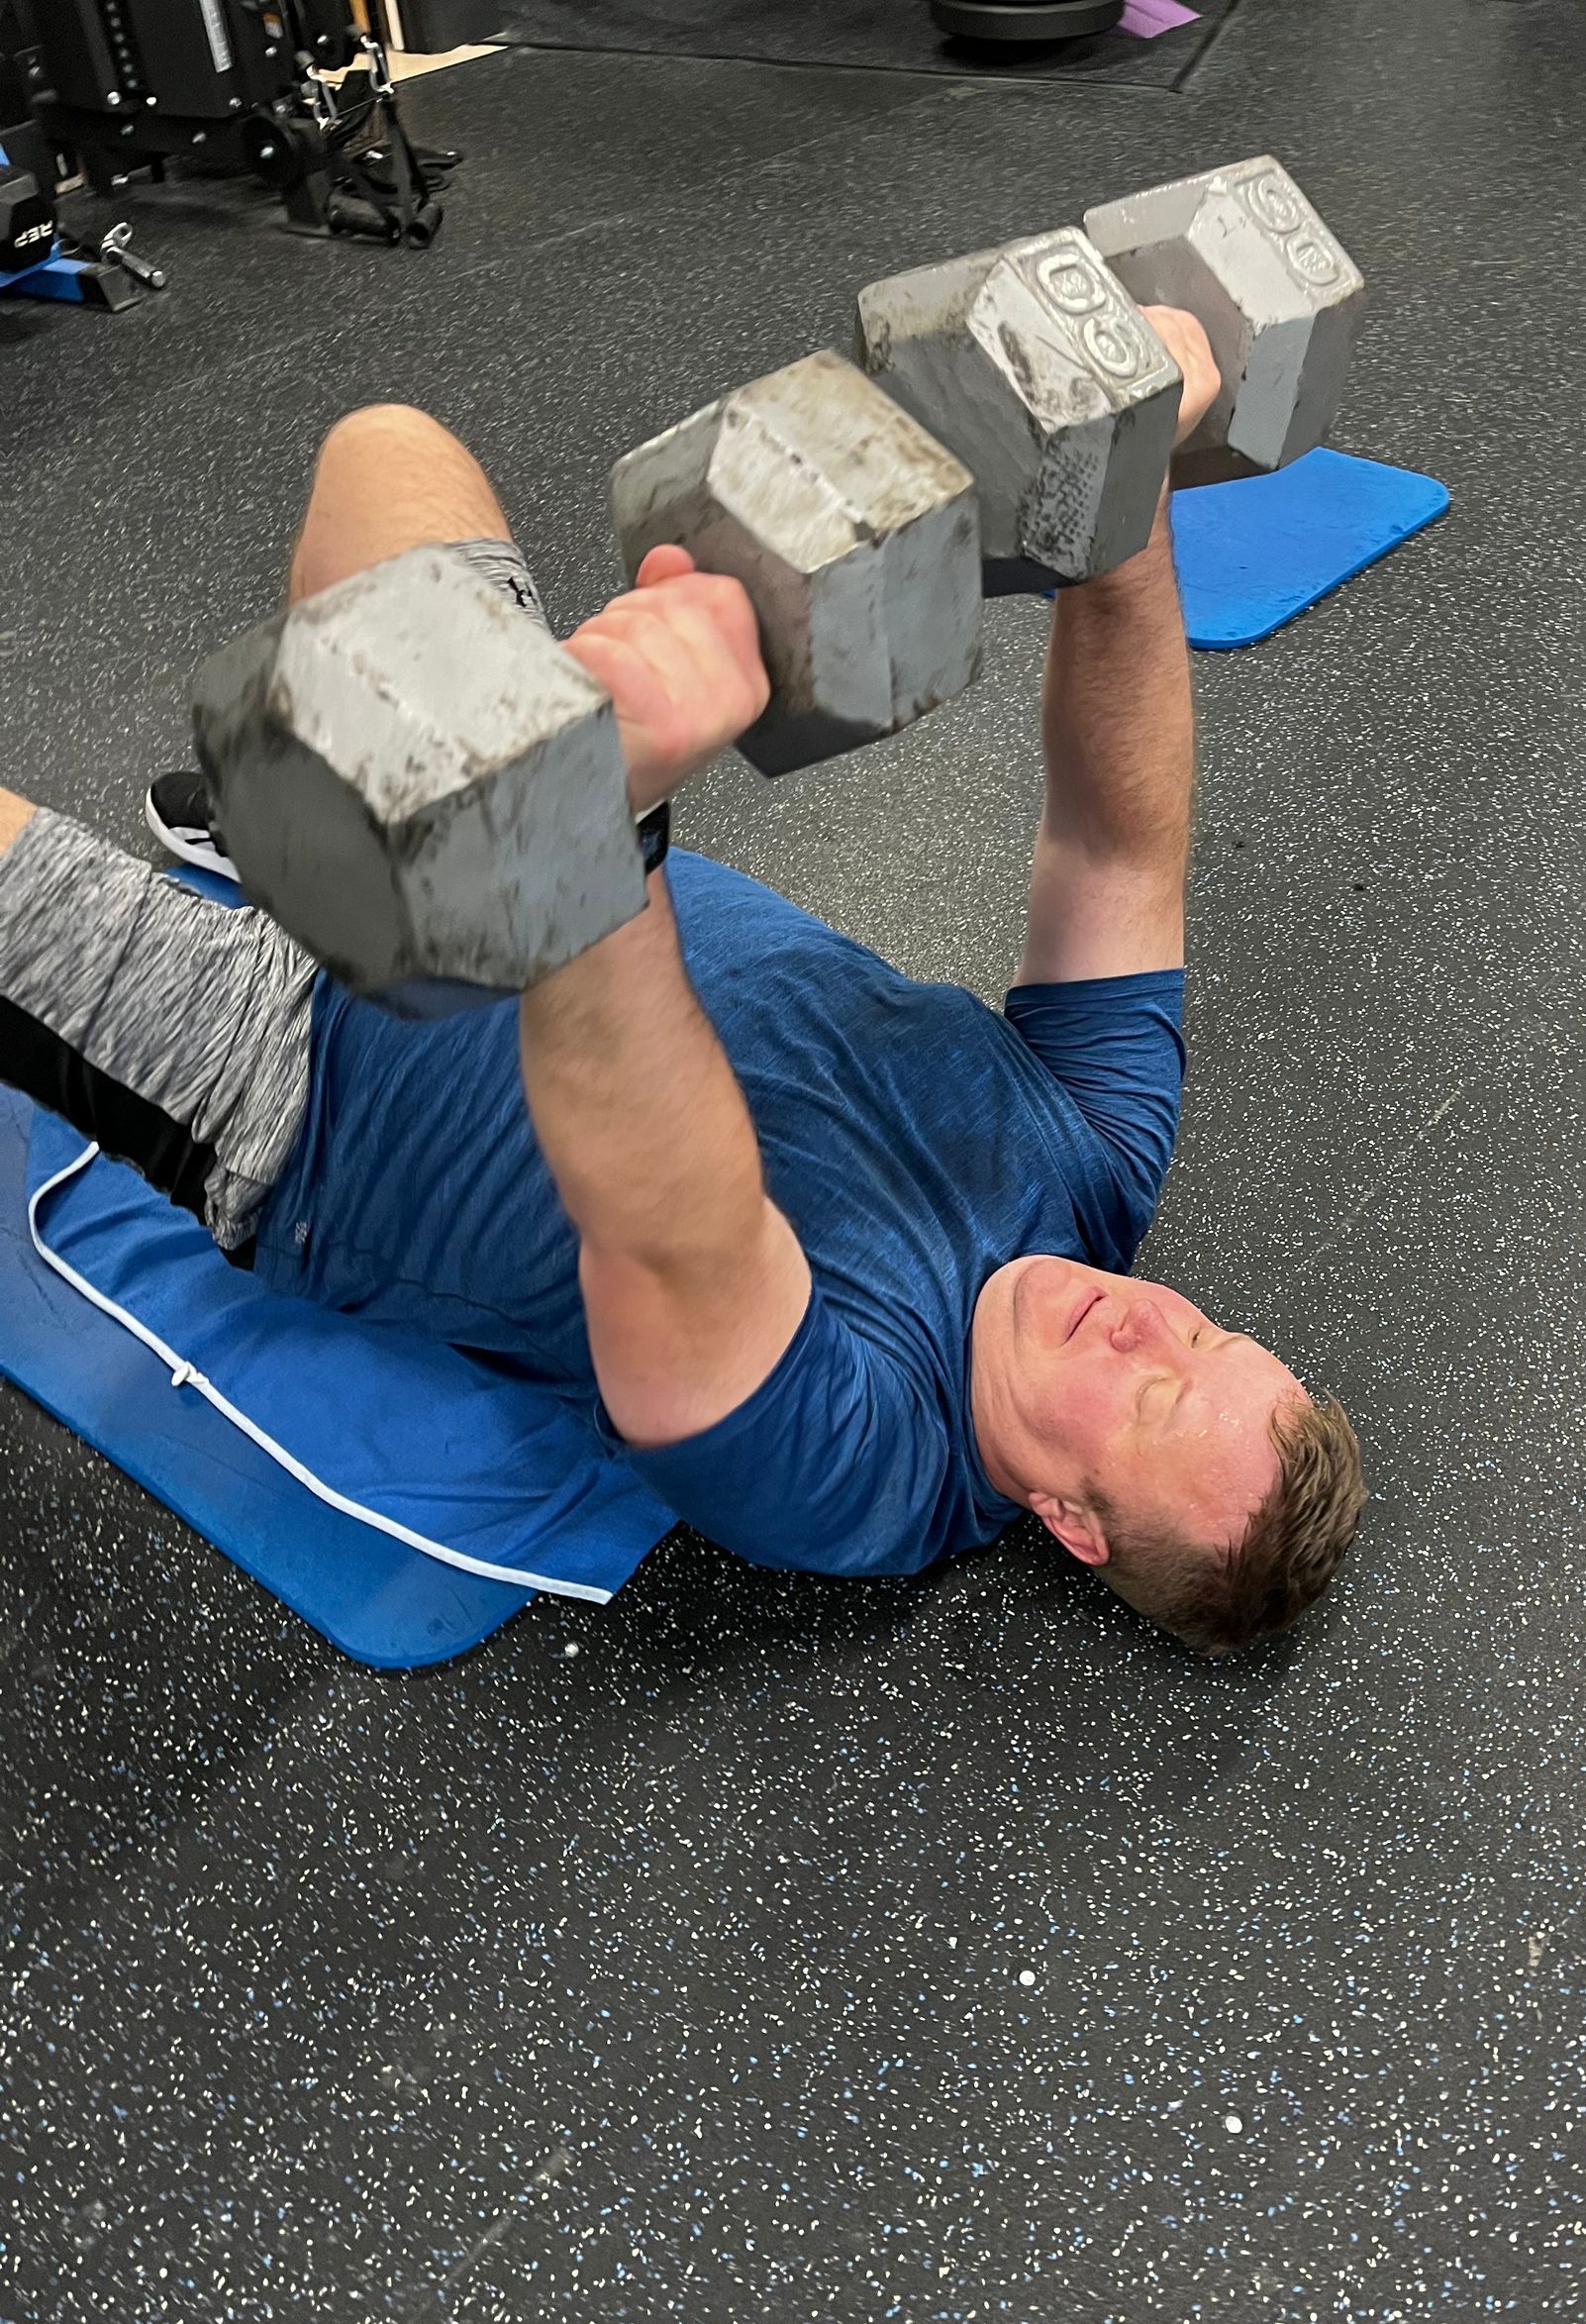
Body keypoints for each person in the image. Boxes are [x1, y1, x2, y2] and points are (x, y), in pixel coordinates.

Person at [0, 305, 1365, 1651]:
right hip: (526, 810)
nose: (1143, 1326)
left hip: (294, 1077)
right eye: (1202, 1335)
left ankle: (397, 814)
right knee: (386, 447)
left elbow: (671, 1226)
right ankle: (358, 825)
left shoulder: (862, 1472)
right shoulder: (1101, 1171)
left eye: (1147, 1403)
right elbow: (1118, 853)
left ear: (1072, 1519)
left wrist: (592, 824)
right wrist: (1125, 494)